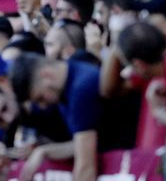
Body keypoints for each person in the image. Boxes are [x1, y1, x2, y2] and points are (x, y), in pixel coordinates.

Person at [9, 52, 100, 181]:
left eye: (40, 98)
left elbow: (86, 168)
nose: (42, 106)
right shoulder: (66, 88)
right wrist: (44, 151)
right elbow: (83, 143)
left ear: (46, 75)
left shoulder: (80, 89)